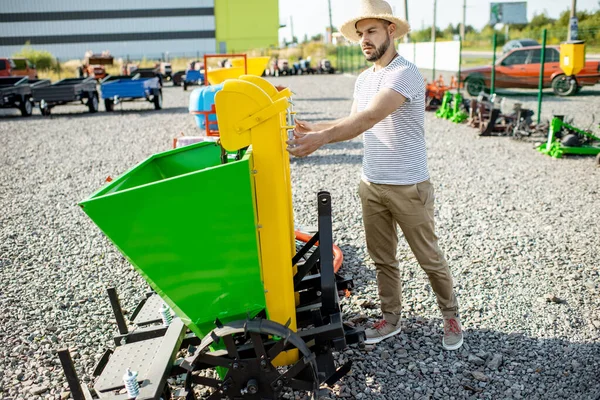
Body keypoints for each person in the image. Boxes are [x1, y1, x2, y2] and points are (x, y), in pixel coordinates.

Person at [286, 0, 463, 351]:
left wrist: (320, 139)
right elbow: (350, 119)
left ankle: (451, 315)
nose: (364, 39)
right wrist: (313, 127)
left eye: (371, 31)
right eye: (360, 34)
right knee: (383, 259)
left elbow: (368, 120)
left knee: (428, 258)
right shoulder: (365, 78)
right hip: (372, 184)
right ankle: (391, 319)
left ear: (391, 30)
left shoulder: (405, 73)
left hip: (409, 186)